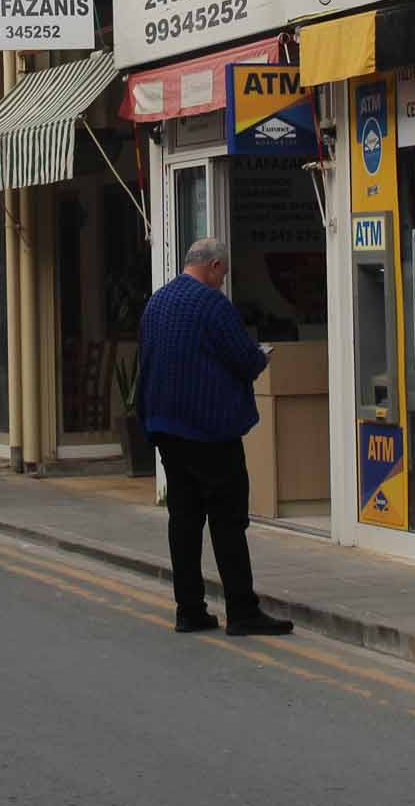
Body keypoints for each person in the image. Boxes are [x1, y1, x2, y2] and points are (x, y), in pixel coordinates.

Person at [136, 238, 294, 638]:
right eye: (223, 273)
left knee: (184, 520)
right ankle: (242, 610)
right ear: (215, 266)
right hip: (209, 429)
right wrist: (262, 357)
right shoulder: (212, 304)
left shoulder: (157, 303)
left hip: (166, 428)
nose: (224, 281)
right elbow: (243, 358)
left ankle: (189, 610)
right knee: (227, 520)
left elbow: (148, 362)